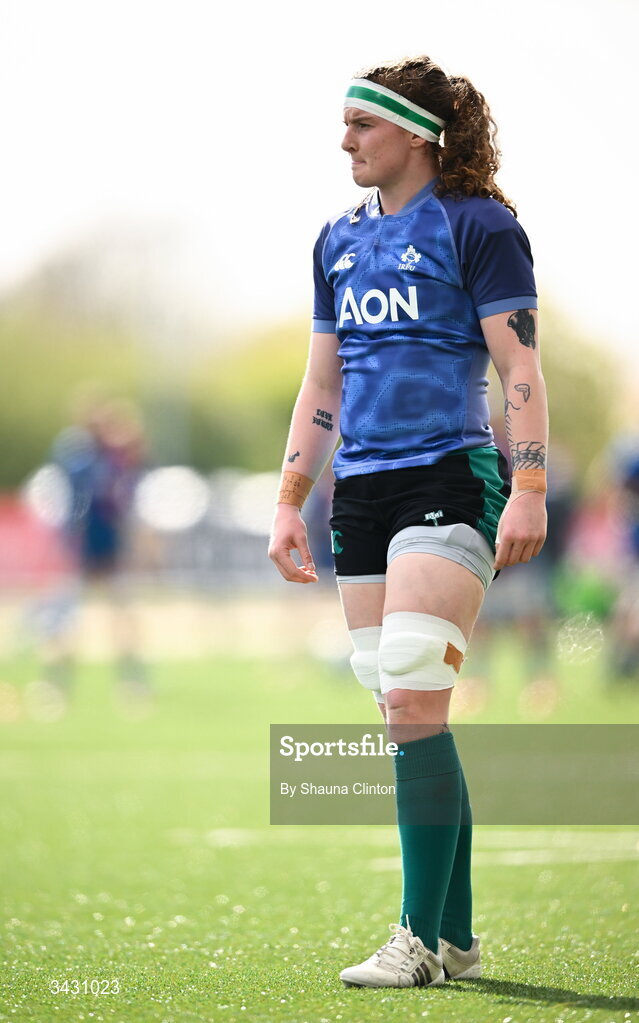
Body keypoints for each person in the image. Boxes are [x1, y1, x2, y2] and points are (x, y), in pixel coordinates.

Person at [269, 55, 548, 989]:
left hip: (450, 474)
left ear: (418, 134)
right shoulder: (334, 241)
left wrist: (530, 484)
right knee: (400, 707)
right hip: (360, 491)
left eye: (362, 123)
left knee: (415, 692)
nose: (343, 139)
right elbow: (322, 383)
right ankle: (459, 936)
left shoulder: (480, 227)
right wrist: (287, 499)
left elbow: (519, 370)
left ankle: (418, 939)